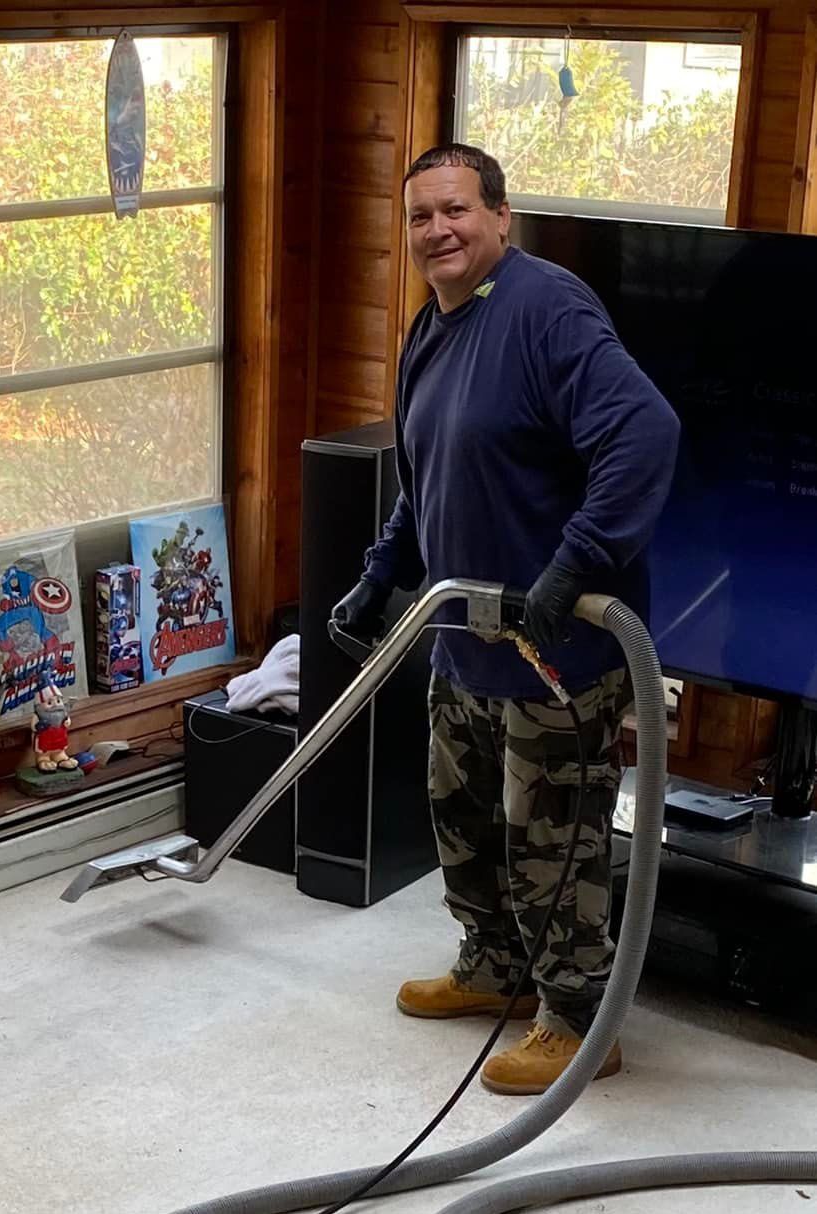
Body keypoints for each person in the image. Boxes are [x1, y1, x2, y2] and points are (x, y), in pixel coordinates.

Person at [330, 144, 679, 1095]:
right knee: (466, 820)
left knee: (554, 847)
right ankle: (493, 968)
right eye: (419, 217)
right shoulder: (429, 326)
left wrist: (572, 570)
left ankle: (578, 1023)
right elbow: (427, 474)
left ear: (500, 217)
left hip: (557, 652)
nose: (438, 230)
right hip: (462, 638)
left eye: (456, 211)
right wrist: (380, 576)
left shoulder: (548, 310)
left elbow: (646, 433)